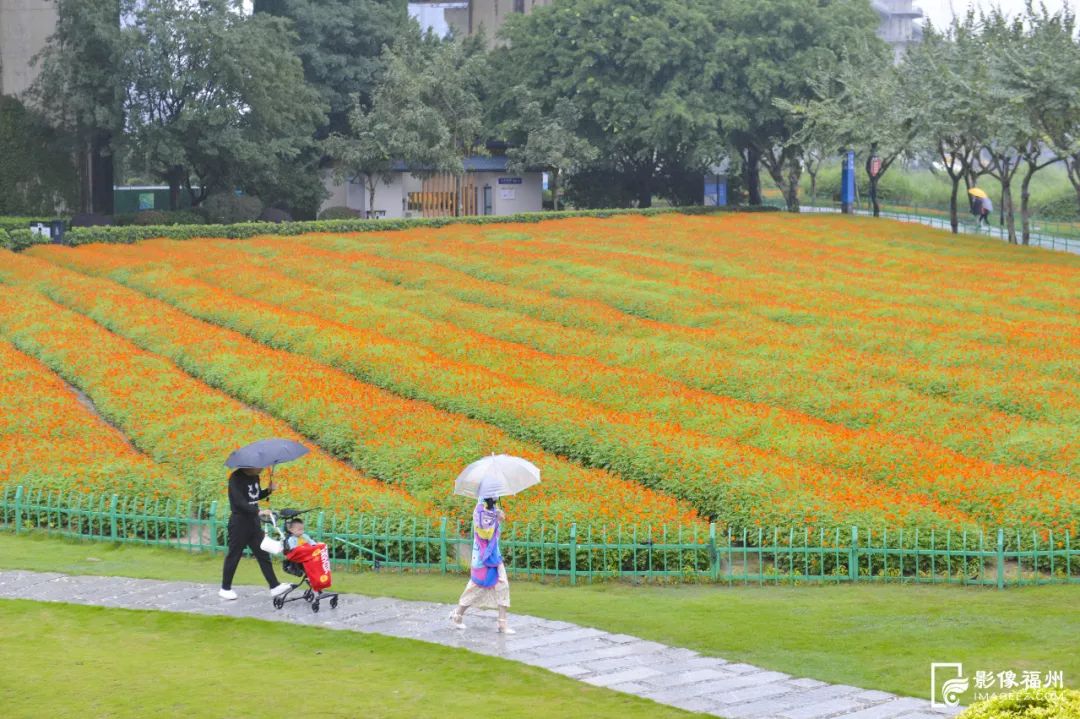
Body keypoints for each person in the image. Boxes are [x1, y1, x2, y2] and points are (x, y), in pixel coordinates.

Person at [219, 466, 291, 600]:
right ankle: (225, 588)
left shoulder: (255, 476)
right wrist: (258, 511)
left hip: (253, 522)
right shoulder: (236, 478)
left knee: (263, 553)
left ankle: (274, 586)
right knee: (234, 555)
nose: (262, 469)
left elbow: (254, 496)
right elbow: (239, 502)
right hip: (239, 522)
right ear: (249, 465)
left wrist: (268, 490)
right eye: (259, 467)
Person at [449, 495, 514, 634]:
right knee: (476, 587)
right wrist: (497, 520)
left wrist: (497, 516)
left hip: (493, 556)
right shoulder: (479, 510)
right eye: (494, 492)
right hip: (483, 557)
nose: (497, 495)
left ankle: (502, 623)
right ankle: (457, 615)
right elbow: (485, 534)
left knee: (503, 585)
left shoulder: (492, 508)